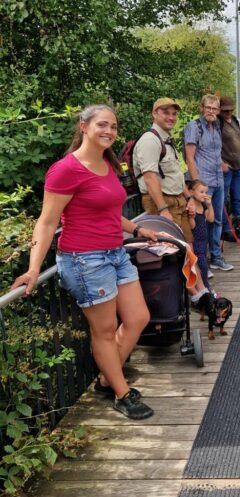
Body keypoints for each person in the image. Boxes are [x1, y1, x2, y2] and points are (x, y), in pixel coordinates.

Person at [12, 104, 156, 419]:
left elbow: (108, 210)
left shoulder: (108, 163)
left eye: (113, 127)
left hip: (115, 253)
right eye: (102, 125)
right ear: (84, 126)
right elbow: (47, 222)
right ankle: (121, 393)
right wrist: (34, 268)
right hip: (84, 260)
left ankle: (108, 376)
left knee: (138, 317)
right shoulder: (66, 169)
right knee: (104, 331)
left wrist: (137, 228)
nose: (108, 131)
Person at [134, 97, 211, 291]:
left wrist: (189, 198)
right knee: (180, 253)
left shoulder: (167, 140)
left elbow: (174, 176)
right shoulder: (150, 141)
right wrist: (163, 210)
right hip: (163, 204)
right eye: (165, 112)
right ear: (154, 113)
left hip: (177, 202)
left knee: (189, 251)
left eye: (174, 113)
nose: (171, 117)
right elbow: (150, 178)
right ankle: (198, 295)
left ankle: (202, 293)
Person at [184, 95, 234, 271]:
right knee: (201, 221)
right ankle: (202, 261)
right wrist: (195, 185)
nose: (211, 111)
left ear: (219, 111)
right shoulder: (194, 127)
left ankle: (216, 257)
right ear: (202, 108)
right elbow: (189, 157)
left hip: (218, 179)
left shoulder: (216, 127)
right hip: (204, 182)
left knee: (217, 219)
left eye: (215, 108)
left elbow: (215, 152)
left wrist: (222, 164)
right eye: (208, 107)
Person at [218, 96, 240, 243]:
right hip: (226, 167)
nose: (228, 112)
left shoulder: (234, 120)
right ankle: (226, 230)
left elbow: (238, 142)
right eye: (225, 110)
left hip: (237, 167)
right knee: (224, 199)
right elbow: (214, 145)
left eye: (230, 109)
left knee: (238, 198)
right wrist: (221, 162)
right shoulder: (218, 122)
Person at [188, 179, 215, 292]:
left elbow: (211, 219)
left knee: (203, 265)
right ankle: (206, 288)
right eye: (201, 192)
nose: (204, 195)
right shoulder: (191, 206)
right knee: (202, 266)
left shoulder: (202, 205)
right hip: (196, 242)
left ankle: (204, 288)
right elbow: (192, 227)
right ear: (191, 192)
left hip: (204, 241)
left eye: (206, 192)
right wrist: (191, 216)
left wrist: (209, 206)